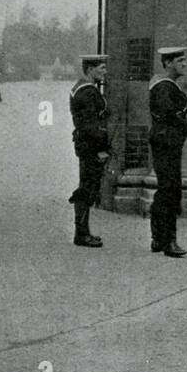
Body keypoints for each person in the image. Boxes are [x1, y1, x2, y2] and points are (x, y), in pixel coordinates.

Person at [148, 46, 187, 257]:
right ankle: (169, 241)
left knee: (165, 189)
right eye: (179, 60)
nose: (184, 64)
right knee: (170, 190)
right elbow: (168, 114)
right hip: (166, 143)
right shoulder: (164, 87)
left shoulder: (166, 85)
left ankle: (158, 237)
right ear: (167, 63)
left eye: (184, 60)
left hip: (167, 142)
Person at [67, 53, 109, 247]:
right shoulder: (87, 92)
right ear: (90, 70)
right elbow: (91, 126)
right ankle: (81, 234)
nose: (105, 71)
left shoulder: (81, 88)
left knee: (87, 186)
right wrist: (102, 149)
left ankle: (83, 232)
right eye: (101, 68)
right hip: (91, 147)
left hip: (85, 145)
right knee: (88, 187)